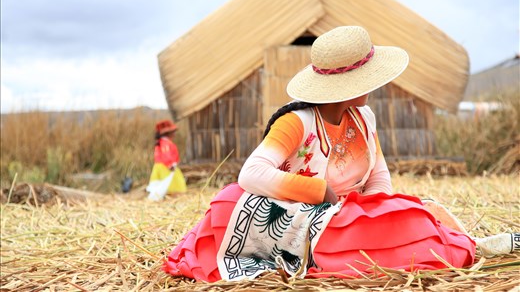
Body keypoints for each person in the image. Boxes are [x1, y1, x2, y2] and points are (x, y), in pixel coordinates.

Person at [163, 26, 518, 282]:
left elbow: (378, 176)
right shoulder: (297, 123)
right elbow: (251, 175)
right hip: (304, 217)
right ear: (352, 86)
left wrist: (378, 211)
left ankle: (472, 243)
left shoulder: (364, 118)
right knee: (228, 202)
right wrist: (319, 192)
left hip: (349, 216)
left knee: (411, 213)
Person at [146, 119, 187, 201]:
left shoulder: (161, 142)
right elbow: (166, 155)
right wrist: (170, 165)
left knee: (165, 183)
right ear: (168, 133)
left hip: (161, 166)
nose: (174, 134)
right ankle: (170, 198)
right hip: (166, 167)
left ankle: (167, 197)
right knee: (173, 183)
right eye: (173, 132)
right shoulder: (165, 143)